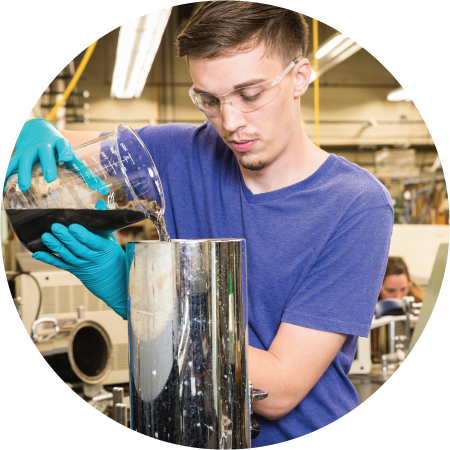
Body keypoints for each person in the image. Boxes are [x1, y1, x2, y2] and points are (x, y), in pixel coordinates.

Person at [5, 1, 394, 444]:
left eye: (250, 95)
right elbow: (52, 159)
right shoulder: (177, 153)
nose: (230, 123)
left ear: (299, 77)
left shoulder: (356, 205)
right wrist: (38, 128)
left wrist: (136, 298)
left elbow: (278, 391)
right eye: (209, 100)